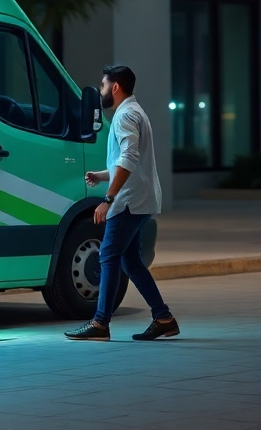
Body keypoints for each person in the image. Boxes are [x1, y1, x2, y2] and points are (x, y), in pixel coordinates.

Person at [66, 65, 179, 342]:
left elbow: (129, 158)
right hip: (140, 198)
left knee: (108, 255)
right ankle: (163, 318)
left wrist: (107, 199)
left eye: (103, 85)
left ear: (115, 87)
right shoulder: (133, 112)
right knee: (131, 262)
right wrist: (102, 175)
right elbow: (127, 162)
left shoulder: (126, 114)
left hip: (129, 201)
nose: (101, 90)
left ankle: (100, 323)